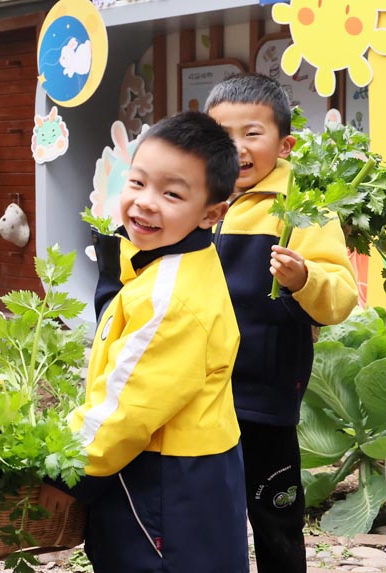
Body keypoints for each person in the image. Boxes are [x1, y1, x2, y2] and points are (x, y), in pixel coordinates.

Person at [45, 111, 248, 572]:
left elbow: (124, 409)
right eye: (137, 183)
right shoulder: (161, 265)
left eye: (171, 193)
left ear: (212, 213)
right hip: (189, 479)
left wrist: (62, 472)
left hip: (165, 487)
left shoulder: (169, 295)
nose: (145, 203)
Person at [204, 73, 358, 573]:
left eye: (253, 134)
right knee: (211, 518)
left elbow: (342, 295)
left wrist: (304, 276)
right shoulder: (196, 200)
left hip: (266, 397)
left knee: (275, 518)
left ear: (284, 143)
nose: (238, 149)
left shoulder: (302, 207)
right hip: (200, 394)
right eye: (223, 137)